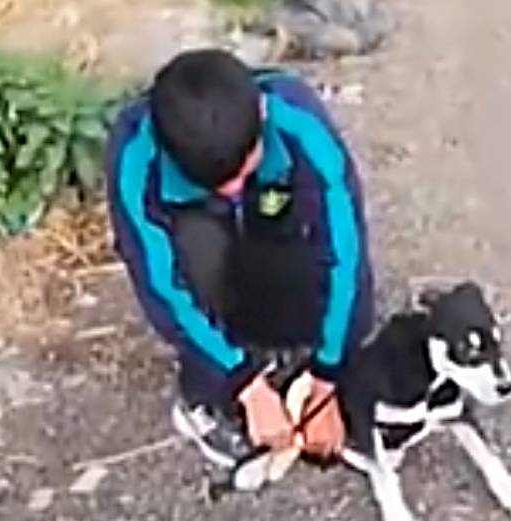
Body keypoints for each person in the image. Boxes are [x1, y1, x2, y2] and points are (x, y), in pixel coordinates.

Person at [104, 48, 373, 475]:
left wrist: (328, 374)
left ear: (263, 113)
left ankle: (284, 345)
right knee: (197, 254)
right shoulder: (134, 156)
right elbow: (160, 286)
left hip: (273, 205)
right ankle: (204, 396)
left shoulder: (301, 123)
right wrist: (240, 380)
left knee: (294, 237)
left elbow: (348, 257)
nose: (231, 191)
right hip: (192, 224)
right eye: (217, 182)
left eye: (241, 172)